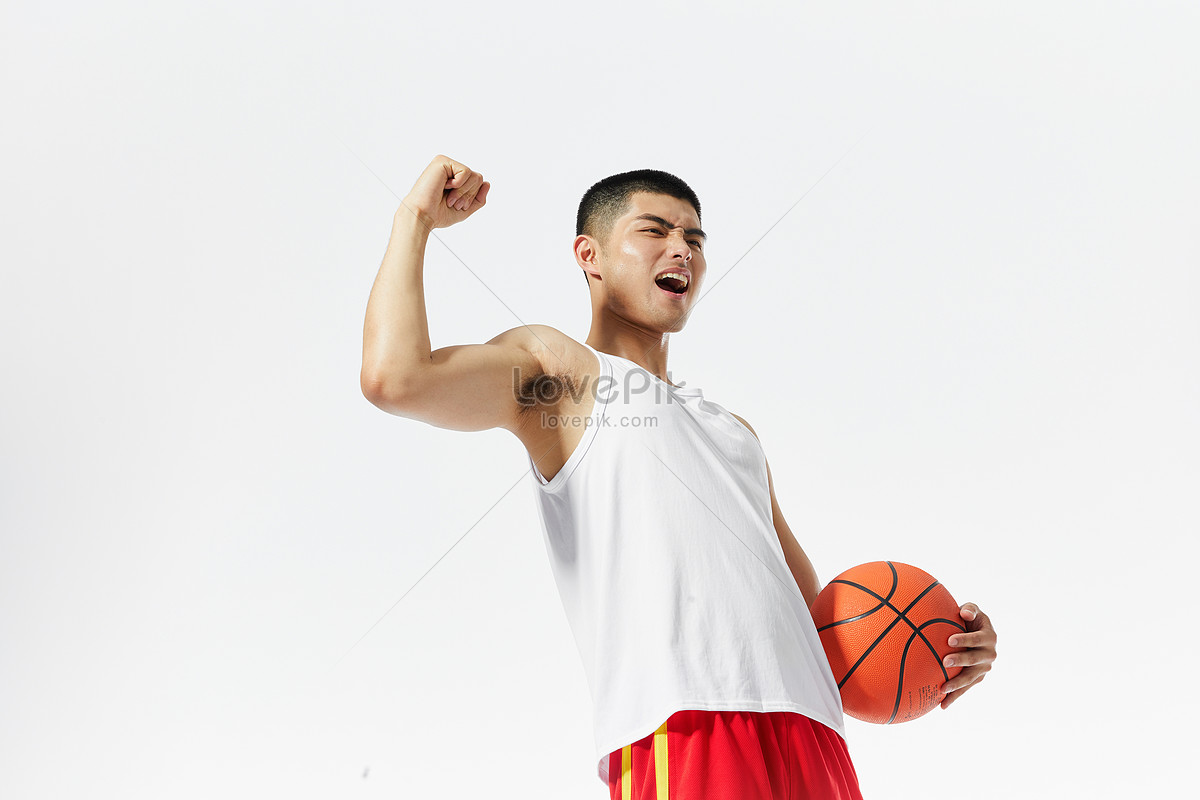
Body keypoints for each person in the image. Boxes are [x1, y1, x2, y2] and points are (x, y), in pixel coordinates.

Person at [360, 154, 998, 798]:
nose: (682, 249)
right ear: (590, 255)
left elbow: (819, 628)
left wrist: (939, 648)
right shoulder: (565, 374)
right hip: (686, 728)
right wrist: (414, 220)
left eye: (694, 238)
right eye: (655, 230)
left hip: (813, 738)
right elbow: (396, 379)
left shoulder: (735, 434)